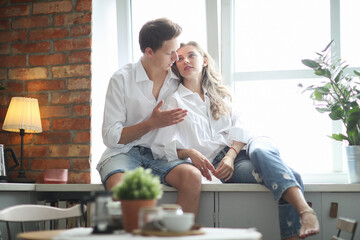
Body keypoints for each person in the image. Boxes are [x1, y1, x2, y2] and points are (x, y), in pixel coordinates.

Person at [151, 41, 320, 239]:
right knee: (291, 176)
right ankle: (305, 214)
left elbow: (243, 126)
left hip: (246, 149)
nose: (185, 61)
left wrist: (231, 156)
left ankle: (306, 212)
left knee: (260, 152)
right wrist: (188, 152)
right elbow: (160, 148)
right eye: (179, 59)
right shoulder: (174, 101)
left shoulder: (221, 94)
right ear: (175, 66)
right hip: (222, 166)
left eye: (191, 55)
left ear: (204, 61)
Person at [96, 19, 203, 216]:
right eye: (169, 52)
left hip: (160, 154)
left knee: (193, 177)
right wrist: (151, 124)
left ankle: (177, 236)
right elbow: (111, 137)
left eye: (177, 49)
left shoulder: (176, 77)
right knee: (122, 187)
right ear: (149, 52)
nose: (176, 56)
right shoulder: (121, 79)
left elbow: (205, 84)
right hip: (123, 153)